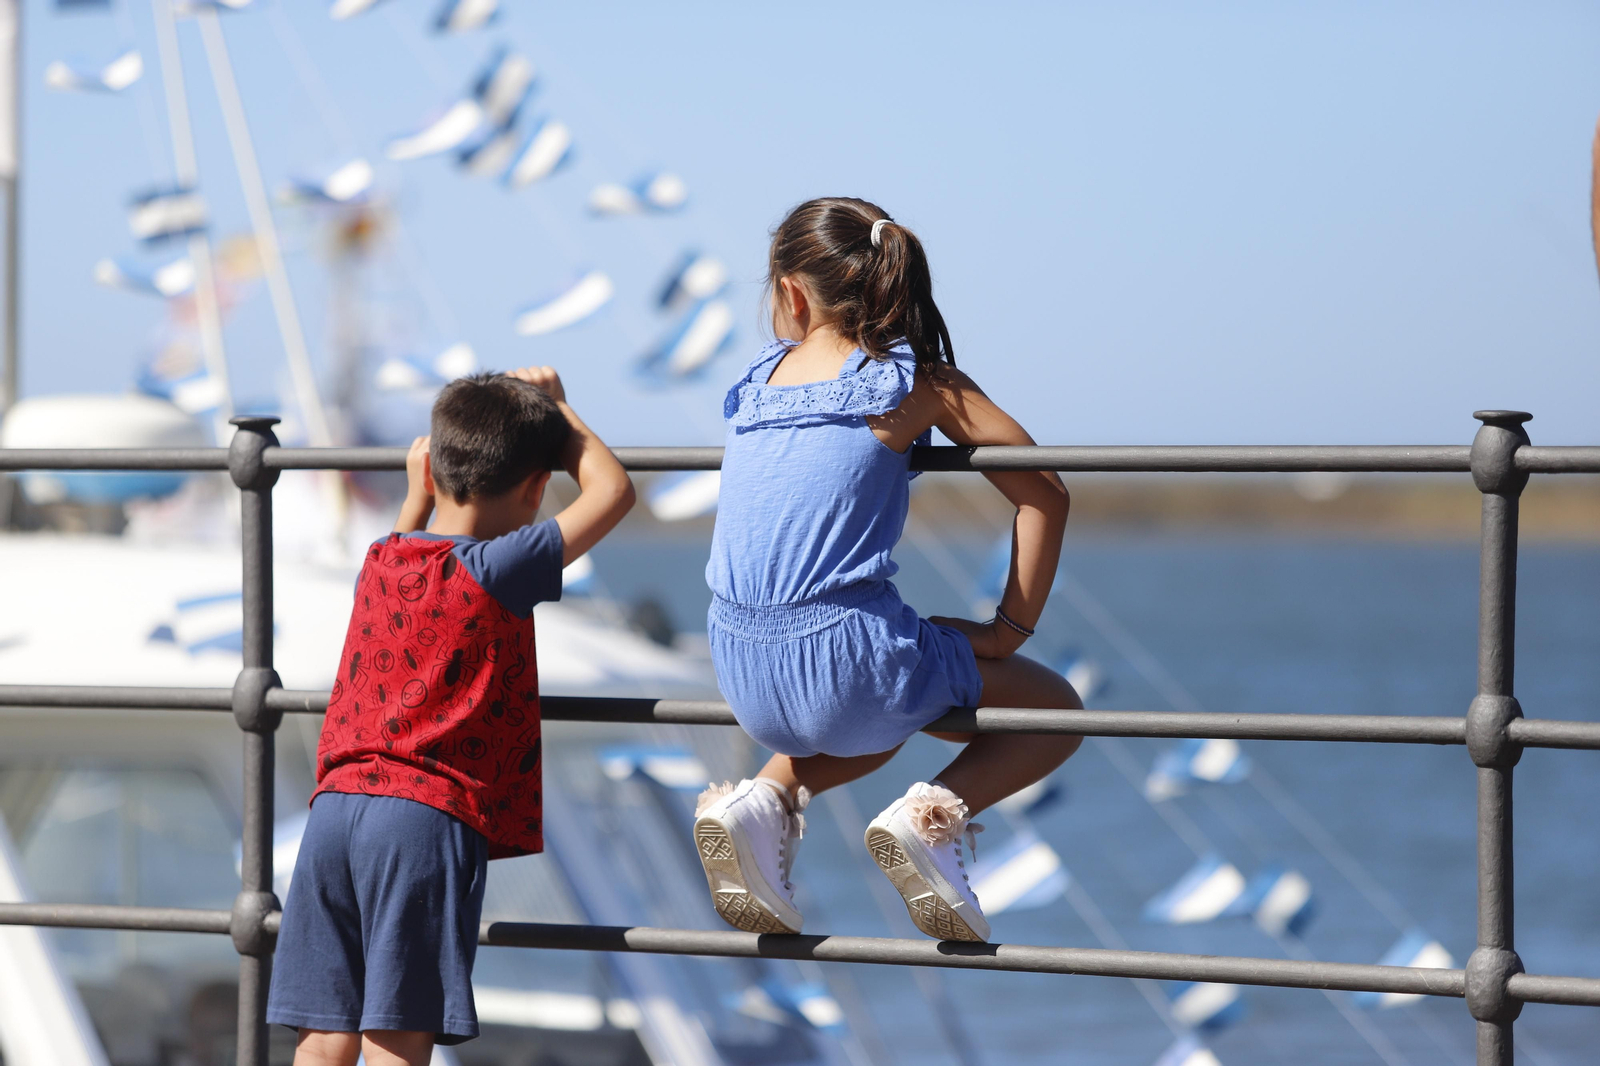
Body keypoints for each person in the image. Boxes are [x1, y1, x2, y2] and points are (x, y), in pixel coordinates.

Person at [694, 198, 1083, 943]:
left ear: (793, 293)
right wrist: (1006, 632)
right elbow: (1046, 493)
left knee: (886, 692)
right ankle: (928, 820)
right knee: (1055, 709)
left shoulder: (757, 384)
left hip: (739, 666)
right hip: (847, 662)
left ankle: (767, 795)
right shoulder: (916, 382)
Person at [267, 368, 634, 1066]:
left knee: (324, 1036)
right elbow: (613, 492)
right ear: (534, 491)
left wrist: (414, 497)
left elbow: (400, 549)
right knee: (398, 1035)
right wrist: (562, 413)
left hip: (335, 809)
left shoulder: (382, 559)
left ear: (433, 473)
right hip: (421, 819)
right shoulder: (501, 567)